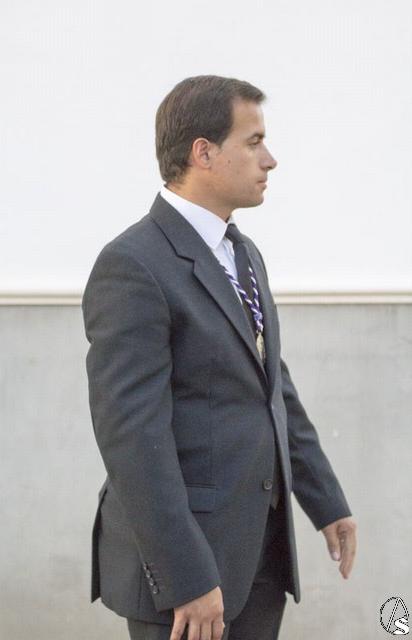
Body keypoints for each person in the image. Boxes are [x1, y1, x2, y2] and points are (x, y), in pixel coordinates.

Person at [83, 75, 356, 640]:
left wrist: (325, 499)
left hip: (258, 556)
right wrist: (186, 576)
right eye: (253, 142)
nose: (270, 159)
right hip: (186, 575)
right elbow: (132, 437)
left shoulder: (242, 252)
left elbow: (270, 388)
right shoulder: (132, 264)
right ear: (203, 153)